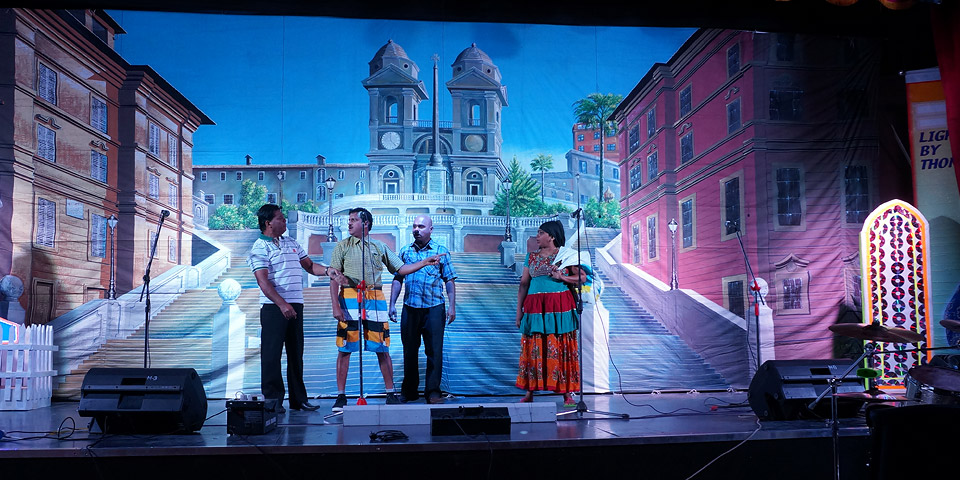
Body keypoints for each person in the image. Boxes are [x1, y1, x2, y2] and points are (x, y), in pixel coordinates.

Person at [329, 207, 446, 411]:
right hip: (349, 296)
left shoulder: (379, 246)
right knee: (345, 348)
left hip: (375, 297)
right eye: (349, 220)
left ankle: (391, 392)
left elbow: (401, 269)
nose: (349, 223)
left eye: (354, 220)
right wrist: (335, 305)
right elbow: (333, 276)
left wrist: (424, 262)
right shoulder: (342, 246)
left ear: (366, 224)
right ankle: (341, 395)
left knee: (382, 347)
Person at [248, 204, 346, 413]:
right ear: (268, 223)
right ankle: (273, 401)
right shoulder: (259, 247)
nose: (284, 221)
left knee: (296, 354)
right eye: (280, 218)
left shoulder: (291, 242)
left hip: (296, 305)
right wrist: (282, 304)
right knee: (272, 355)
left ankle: (298, 399)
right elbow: (263, 282)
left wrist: (328, 271)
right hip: (274, 308)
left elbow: (309, 266)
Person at [388, 214, 457, 404]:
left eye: (421, 226)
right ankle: (409, 391)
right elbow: (398, 279)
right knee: (409, 351)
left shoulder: (440, 251)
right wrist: (392, 304)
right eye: (414, 226)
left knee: (434, 351)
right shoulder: (405, 252)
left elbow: (449, 280)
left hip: (434, 308)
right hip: (410, 308)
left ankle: (433, 392)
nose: (416, 230)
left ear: (430, 229)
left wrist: (452, 306)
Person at [515, 220, 584, 404]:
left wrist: (562, 277)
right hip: (535, 308)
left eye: (541, 233)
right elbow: (524, 284)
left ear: (552, 236)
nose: (537, 236)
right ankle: (529, 392)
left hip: (559, 307)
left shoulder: (565, 256)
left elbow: (582, 277)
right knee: (534, 346)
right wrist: (519, 311)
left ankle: (566, 393)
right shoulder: (531, 257)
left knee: (560, 346)